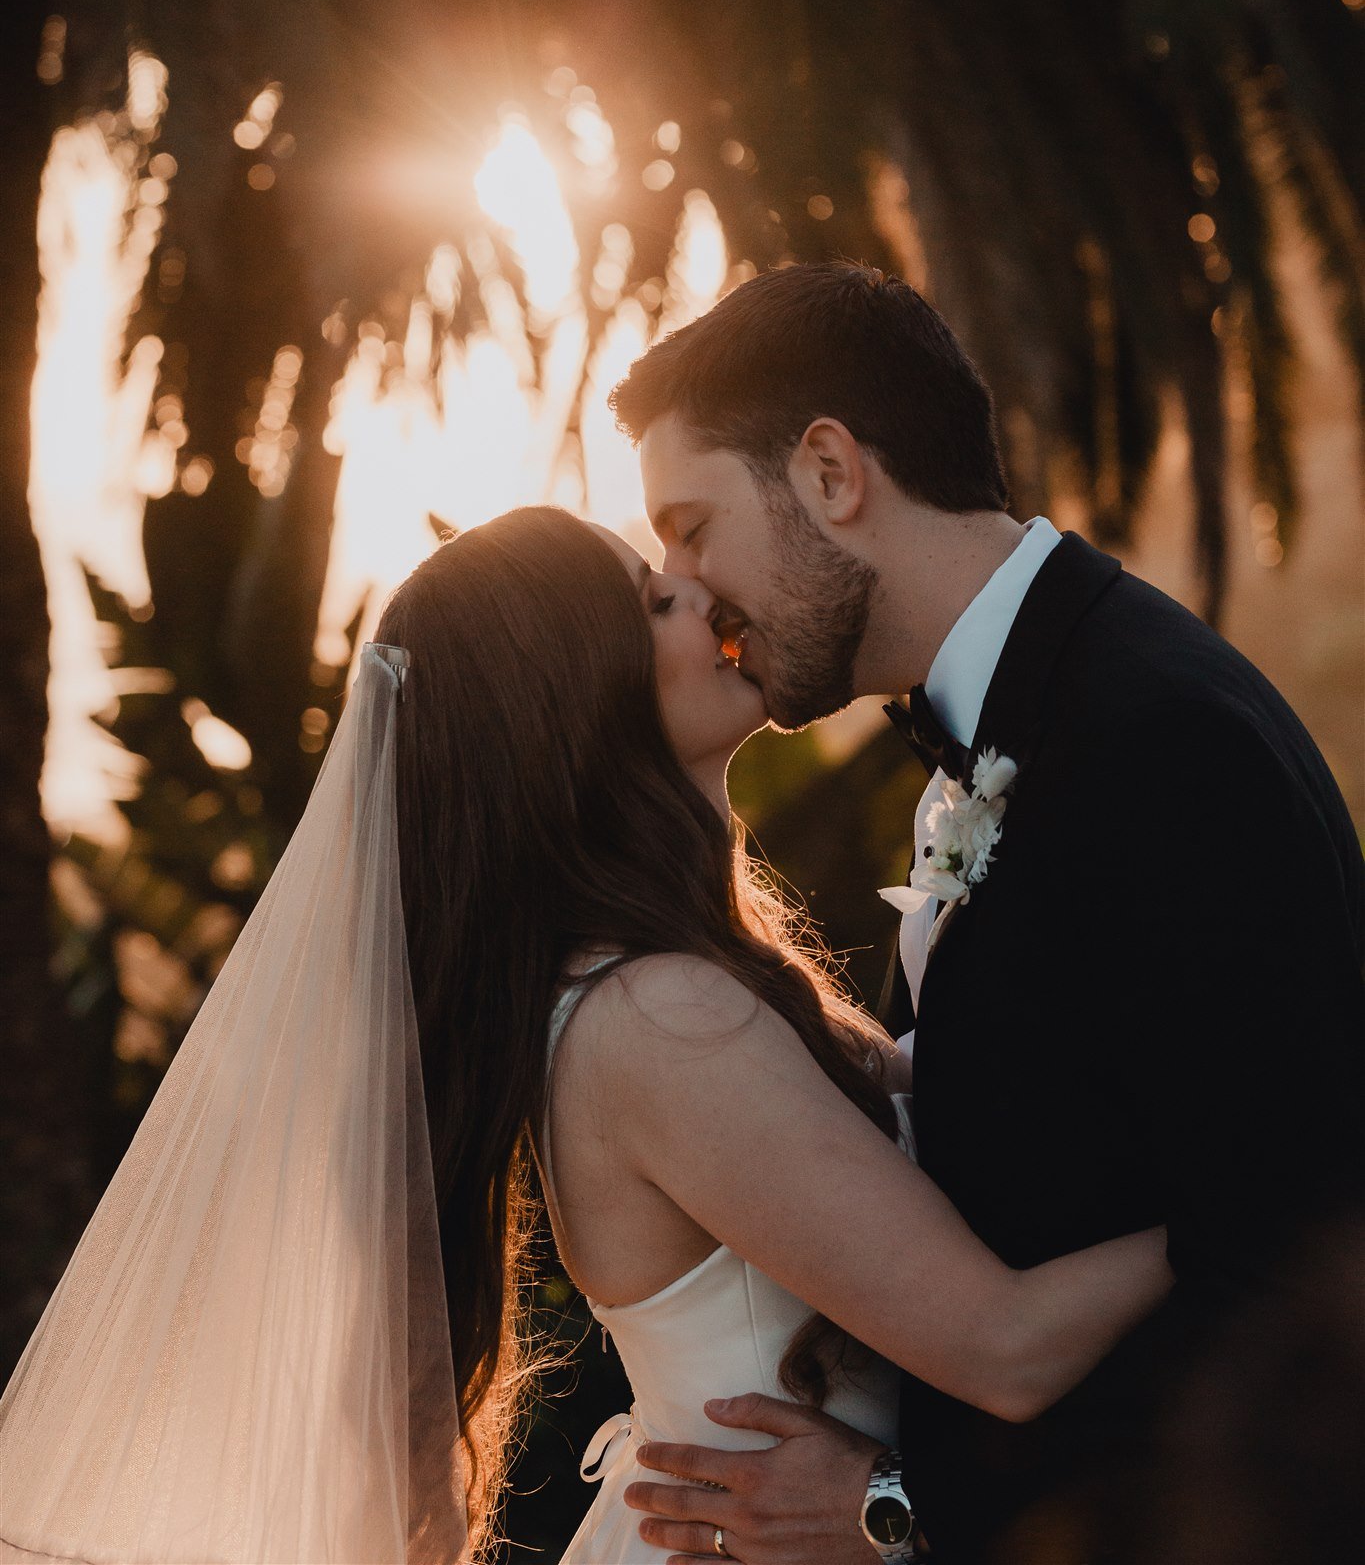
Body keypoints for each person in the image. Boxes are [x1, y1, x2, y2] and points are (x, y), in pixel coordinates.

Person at [0, 503, 1169, 1565]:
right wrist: (1269, 1182)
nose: (702, 595)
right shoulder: (657, 1017)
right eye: (653, 599)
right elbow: (1007, 1343)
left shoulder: (665, 981)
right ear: (577, 695)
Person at [608, 259, 1365, 1565]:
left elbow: (1286, 1277)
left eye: (692, 525)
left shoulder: (1160, 743)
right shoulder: (1005, 724)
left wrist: (906, 1503)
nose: (691, 587)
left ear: (831, 475)